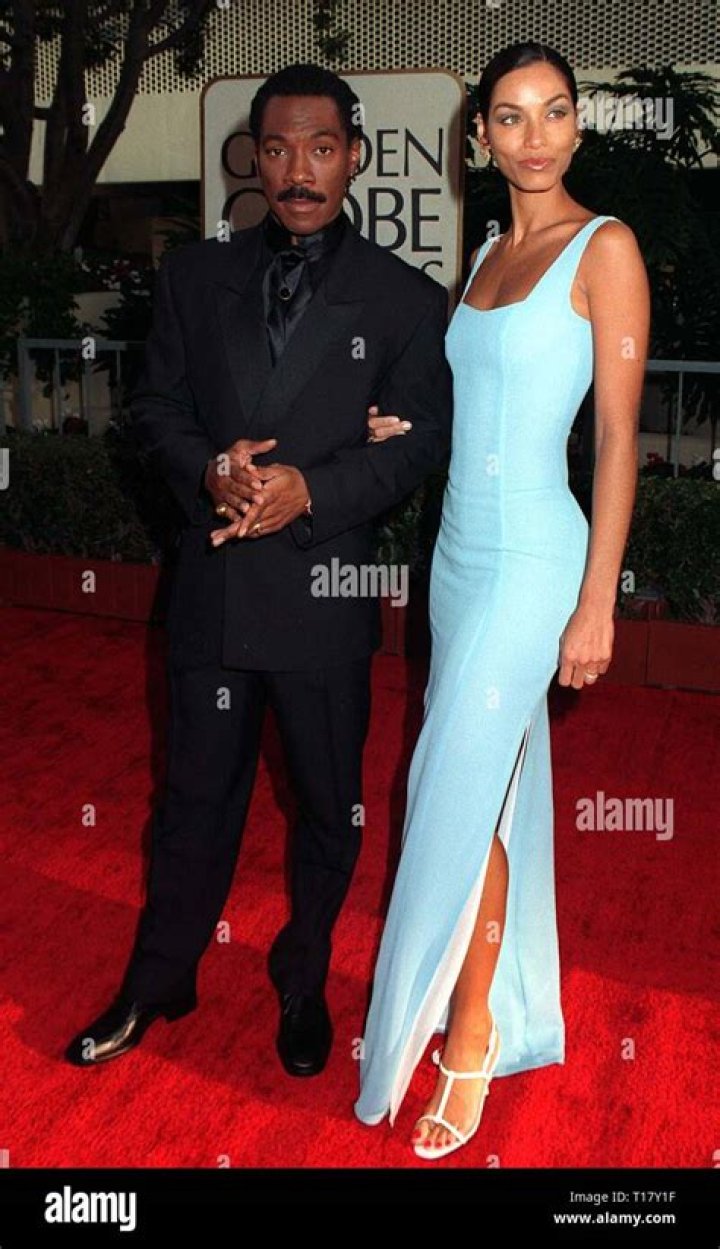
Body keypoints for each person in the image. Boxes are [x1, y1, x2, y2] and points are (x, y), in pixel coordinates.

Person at [65, 63, 452, 1077]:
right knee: (193, 800)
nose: (298, 170)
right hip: (215, 589)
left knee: (327, 807)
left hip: (324, 598)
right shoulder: (196, 277)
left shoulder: (407, 300)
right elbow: (154, 410)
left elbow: (419, 444)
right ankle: (160, 977)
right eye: (278, 149)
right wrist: (208, 467)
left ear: (354, 157)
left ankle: (302, 976)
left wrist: (312, 489)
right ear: (254, 159)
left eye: (321, 148)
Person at [356, 40, 650, 1158]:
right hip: (457, 557)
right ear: (479, 135)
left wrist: (597, 600)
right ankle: (499, 1007)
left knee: (453, 790)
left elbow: (617, 438)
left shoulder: (604, 247)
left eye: (555, 111)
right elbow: (468, 404)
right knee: (482, 789)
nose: (536, 136)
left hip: (535, 560)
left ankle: (470, 1032)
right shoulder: (484, 251)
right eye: (512, 117)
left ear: (577, 124)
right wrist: (404, 426)